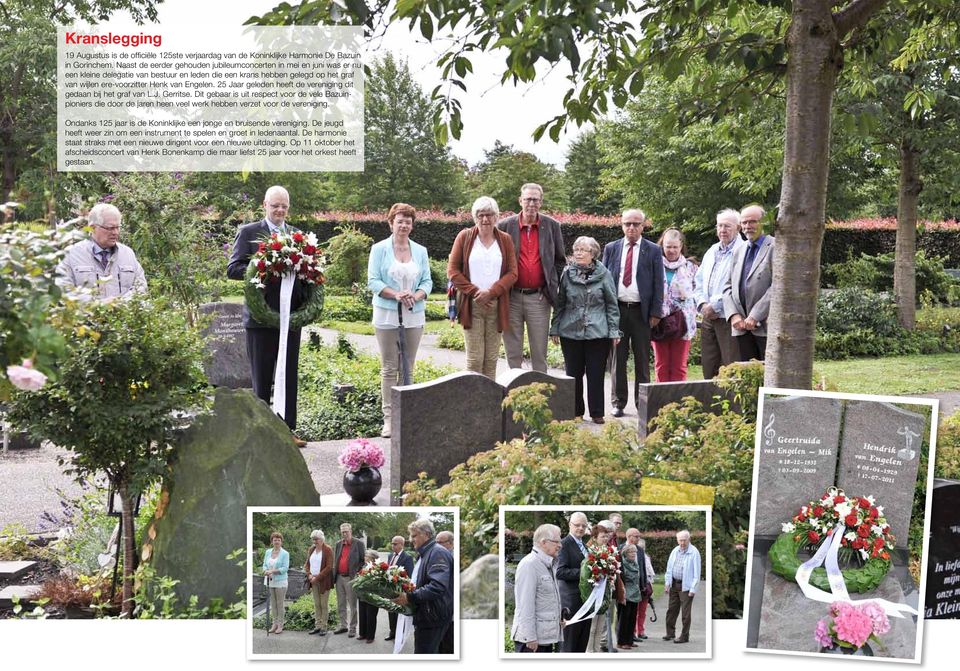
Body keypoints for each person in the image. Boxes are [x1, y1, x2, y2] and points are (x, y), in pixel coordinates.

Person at [226, 186, 306, 445]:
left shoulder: (296, 235)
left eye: (284, 206)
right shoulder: (248, 232)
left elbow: (306, 273)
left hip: (289, 318)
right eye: (275, 206)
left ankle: (287, 430)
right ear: (265, 205)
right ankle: (261, 434)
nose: (280, 210)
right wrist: (264, 266)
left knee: (288, 375)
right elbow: (233, 269)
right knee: (261, 377)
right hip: (260, 319)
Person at [367, 203, 432, 438]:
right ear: (391, 222)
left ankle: (407, 416)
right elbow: (373, 281)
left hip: (414, 314)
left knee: (408, 367)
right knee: (389, 368)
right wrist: (395, 294)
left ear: (412, 225)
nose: (404, 225)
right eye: (400, 220)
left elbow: (427, 281)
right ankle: (389, 420)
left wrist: (416, 295)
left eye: (408, 221)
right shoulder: (379, 249)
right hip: (386, 314)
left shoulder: (420, 251)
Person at [549, 236, 621, 424]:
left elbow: (612, 305)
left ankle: (597, 412)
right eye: (576, 249)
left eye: (583, 249)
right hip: (570, 331)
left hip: (598, 332)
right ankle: (576, 412)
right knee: (573, 373)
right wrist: (554, 328)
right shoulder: (567, 273)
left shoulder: (604, 274)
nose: (578, 253)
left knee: (596, 374)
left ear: (593, 253)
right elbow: (560, 303)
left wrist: (614, 331)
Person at [497, 183, 566, 372]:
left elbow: (560, 260)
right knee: (513, 352)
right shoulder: (504, 226)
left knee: (539, 352)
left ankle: (540, 396)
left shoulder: (552, 226)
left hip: (539, 297)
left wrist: (551, 285)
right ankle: (513, 394)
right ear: (520, 200)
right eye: (527, 199)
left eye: (535, 199)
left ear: (541, 202)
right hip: (511, 297)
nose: (531, 203)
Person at [447, 196, 518, 378]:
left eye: (489, 215)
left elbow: (512, 273)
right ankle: (473, 404)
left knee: (491, 360)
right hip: (472, 305)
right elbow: (453, 272)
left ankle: (489, 404)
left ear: (496, 217)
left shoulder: (505, 240)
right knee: (474, 360)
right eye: (481, 215)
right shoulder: (464, 237)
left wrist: (492, 292)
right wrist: (477, 292)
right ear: (474, 217)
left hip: (497, 305)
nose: (485, 219)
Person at [601, 209, 663, 417]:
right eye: (627, 223)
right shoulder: (611, 248)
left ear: (643, 226)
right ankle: (618, 403)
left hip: (641, 313)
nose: (631, 227)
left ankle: (642, 403)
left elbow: (658, 283)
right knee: (617, 359)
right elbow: (604, 280)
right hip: (617, 311)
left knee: (642, 359)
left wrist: (656, 312)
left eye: (636, 224)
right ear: (621, 225)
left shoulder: (653, 250)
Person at [56, 202, 147, 301]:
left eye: (117, 227)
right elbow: (63, 291)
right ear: (93, 227)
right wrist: (99, 306)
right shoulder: (72, 254)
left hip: (124, 315)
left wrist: (120, 304)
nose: (115, 233)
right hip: (87, 315)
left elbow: (141, 287)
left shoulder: (127, 254)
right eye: (110, 228)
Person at [694, 209, 746, 378]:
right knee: (709, 366)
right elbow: (698, 280)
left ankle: (732, 404)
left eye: (727, 226)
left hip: (728, 317)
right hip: (708, 317)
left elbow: (739, 285)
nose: (722, 230)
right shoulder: (712, 250)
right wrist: (702, 304)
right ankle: (710, 403)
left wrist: (714, 305)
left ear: (738, 228)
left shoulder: (743, 251)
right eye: (720, 226)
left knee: (731, 366)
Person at [392, 518, 455, 654]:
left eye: (414, 535)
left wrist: (409, 597)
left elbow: (437, 586)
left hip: (432, 617)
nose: (410, 539)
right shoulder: (426, 553)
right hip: (429, 615)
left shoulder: (437, 552)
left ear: (426, 534)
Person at [723, 204, 776, 361]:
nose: (747, 226)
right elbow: (727, 287)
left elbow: (778, 286)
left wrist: (755, 315)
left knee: (767, 378)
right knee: (746, 378)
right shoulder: (739, 250)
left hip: (765, 327)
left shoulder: (776, 246)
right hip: (741, 328)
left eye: (753, 222)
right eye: (744, 223)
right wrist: (733, 315)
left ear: (764, 222)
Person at [653, 228, 699, 382]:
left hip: (683, 322)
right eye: (668, 247)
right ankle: (661, 401)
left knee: (679, 366)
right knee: (661, 364)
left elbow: (697, 292)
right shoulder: (654, 265)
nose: (671, 250)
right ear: (662, 246)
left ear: (681, 246)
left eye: (675, 247)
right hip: (659, 321)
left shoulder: (691, 267)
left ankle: (679, 402)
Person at [511, 524, 564, 653]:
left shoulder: (550, 564)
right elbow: (525, 604)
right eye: (556, 541)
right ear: (543, 542)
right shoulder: (529, 565)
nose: (560, 545)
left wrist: (559, 620)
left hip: (544, 638)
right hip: (531, 642)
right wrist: (529, 637)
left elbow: (547, 600)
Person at [558, 511, 591, 652]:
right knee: (569, 646)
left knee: (581, 644)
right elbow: (560, 571)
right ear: (569, 525)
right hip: (571, 602)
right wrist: (585, 573)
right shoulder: (564, 544)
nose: (581, 528)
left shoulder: (585, 546)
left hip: (585, 601)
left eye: (584, 525)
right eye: (577, 525)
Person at [663, 530, 702, 645]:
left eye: (684, 540)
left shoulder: (694, 552)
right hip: (674, 585)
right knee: (671, 610)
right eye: (680, 540)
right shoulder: (675, 550)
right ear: (677, 540)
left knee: (685, 614)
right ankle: (670, 633)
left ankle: (684, 636)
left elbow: (697, 573)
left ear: (689, 539)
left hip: (686, 587)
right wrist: (667, 583)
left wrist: (693, 589)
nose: (682, 542)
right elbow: (669, 568)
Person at [584, 521, 618, 653]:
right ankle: (589, 651)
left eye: (606, 536)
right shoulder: (590, 551)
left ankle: (597, 651)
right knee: (592, 627)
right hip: (593, 593)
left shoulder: (608, 551)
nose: (606, 538)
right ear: (595, 537)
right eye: (603, 536)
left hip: (604, 593)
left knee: (600, 625)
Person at [332, 523, 366, 638]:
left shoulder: (358, 544)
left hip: (351, 578)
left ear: (350, 531)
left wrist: (357, 573)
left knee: (352, 605)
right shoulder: (338, 544)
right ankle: (343, 625)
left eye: (346, 531)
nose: (344, 534)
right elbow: (336, 560)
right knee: (341, 603)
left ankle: (352, 628)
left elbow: (363, 561)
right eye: (342, 532)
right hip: (339, 578)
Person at [385, 535, 415, 642]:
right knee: (390, 610)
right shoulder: (390, 556)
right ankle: (392, 632)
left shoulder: (407, 557)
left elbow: (409, 575)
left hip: (400, 590)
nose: (392, 545)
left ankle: (400, 634)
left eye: (395, 544)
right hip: (390, 589)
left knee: (399, 613)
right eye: (392, 543)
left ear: (402, 545)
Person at [304, 529, 334, 636]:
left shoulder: (328, 550)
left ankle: (324, 627)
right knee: (317, 604)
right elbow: (307, 564)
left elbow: (329, 566)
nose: (314, 541)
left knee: (323, 604)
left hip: (324, 581)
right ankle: (317, 626)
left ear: (322, 539)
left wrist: (318, 577)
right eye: (313, 539)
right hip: (313, 580)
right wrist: (310, 575)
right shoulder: (311, 549)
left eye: (316, 539)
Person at [262, 531, 289, 634]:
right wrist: (265, 571)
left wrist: (272, 571)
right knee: (273, 604)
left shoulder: (285, 553)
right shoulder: (268, 552)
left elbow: (285, 568)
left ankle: (280, 625)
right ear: (272, 541)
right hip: (270, 581)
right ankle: (274, 624)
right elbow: (264, 564)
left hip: (280, 582)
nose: (276, 541)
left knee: (279, 604)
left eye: (278, 540)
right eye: (275, 540)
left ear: (281, 541)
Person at [617, 543, 642, 650]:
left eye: (635, 552)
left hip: (635, 594)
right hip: (625, 594)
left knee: (632, 618)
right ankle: (621, 642)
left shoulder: (635, 564)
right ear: (625, 553)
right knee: (624, 619)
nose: (633, 554)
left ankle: (630, 640)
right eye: (631, 552)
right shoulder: (622, 564)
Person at [634, 536, 655, 642]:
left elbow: (651, 574)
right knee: (635, 611)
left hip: (646, 588)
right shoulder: (633, 557)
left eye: (643, 547)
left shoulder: (647, 557)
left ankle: (641, 631)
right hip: (636, 587)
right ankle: (633, 632)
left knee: (642, 611)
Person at [358, 548, 381, 644]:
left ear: (372, 558)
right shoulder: (364, 565)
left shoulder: (377, 567)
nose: (364, 557)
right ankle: (362, 634)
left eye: (366, 556)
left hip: (372, 595)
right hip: (363, 594)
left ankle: (370, 636)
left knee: (371, 615)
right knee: (362, 614)